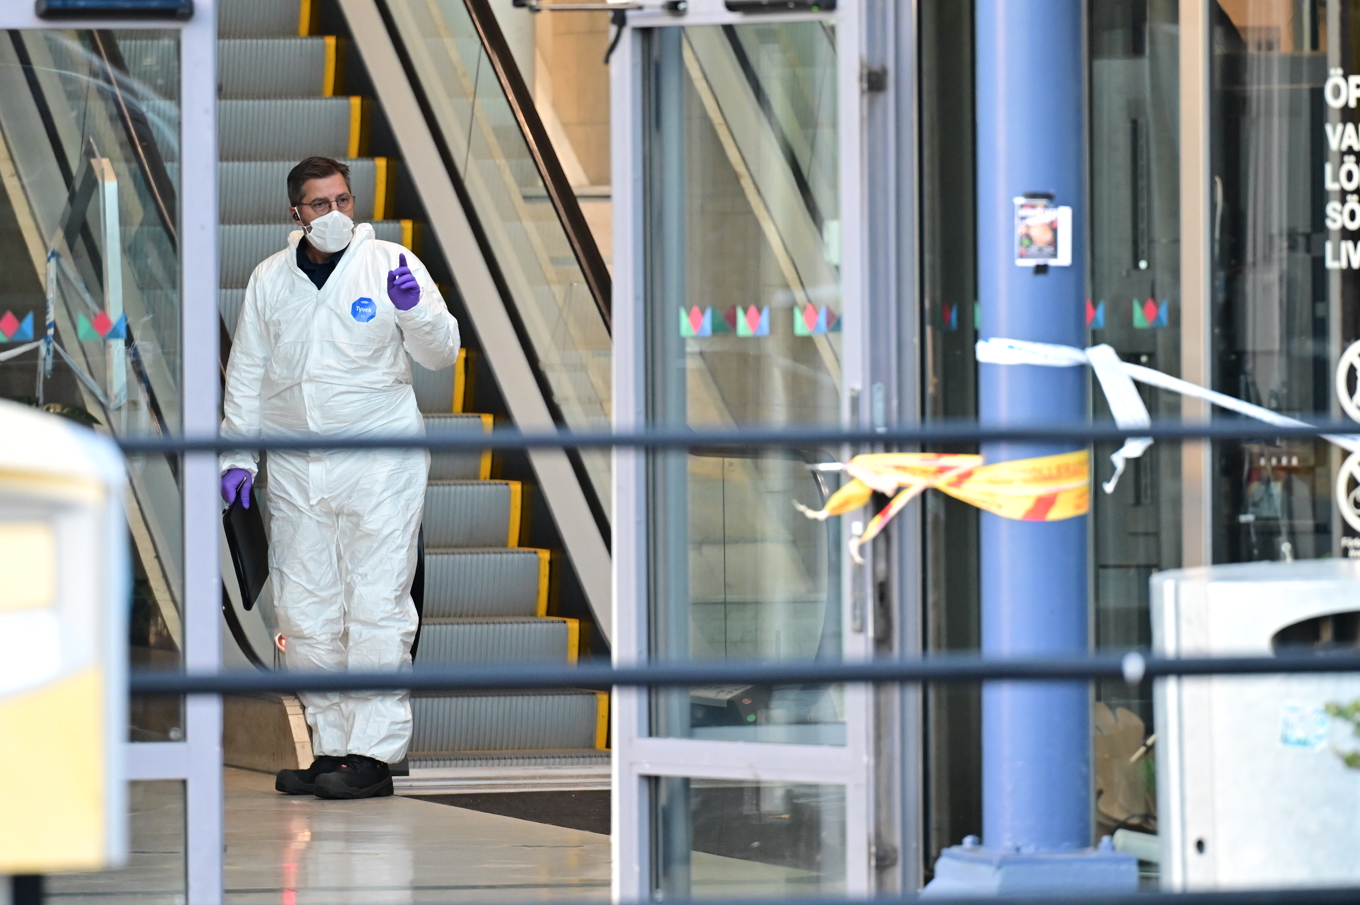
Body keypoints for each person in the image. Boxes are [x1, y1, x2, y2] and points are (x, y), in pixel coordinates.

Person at [219, 156, 460, 799]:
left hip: (379, 463)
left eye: (343, 201)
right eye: (319, 204)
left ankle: (374, 756)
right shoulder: (269, 280)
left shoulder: (391, 266)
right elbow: (247, 373)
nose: (334, 215)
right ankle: (329, 746)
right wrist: (238, 457)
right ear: (294, 212)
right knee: (304, 610)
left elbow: (441, 353)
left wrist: (416, 313)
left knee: (377, 604)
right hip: (298, 468)